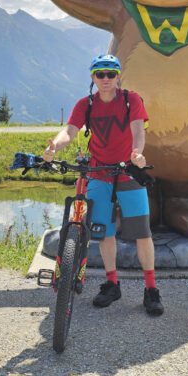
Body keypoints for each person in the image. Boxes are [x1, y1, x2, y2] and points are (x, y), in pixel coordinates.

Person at [42, 54, 163, 316]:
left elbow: (138, 131)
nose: (105, 79)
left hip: (129, 171)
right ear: (93, 77)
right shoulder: (85, 104)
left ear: (119, 76)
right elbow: (70, 131)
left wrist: (137, 154)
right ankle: (111, 283)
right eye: (100, 74)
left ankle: (151, 289)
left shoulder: (132, 100)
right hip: (98, 172)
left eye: (110, 73)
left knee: (142, 233)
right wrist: (55, 145)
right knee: (104, 232)